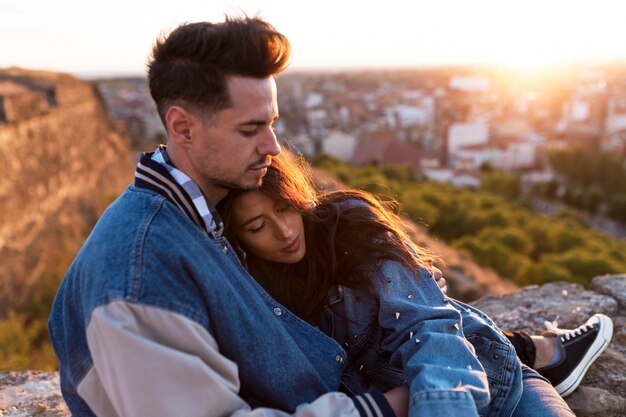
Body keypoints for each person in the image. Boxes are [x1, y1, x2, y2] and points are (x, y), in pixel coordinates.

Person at [48, 16, 408, 417]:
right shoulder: (138, 274)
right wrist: (385, 408)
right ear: (182, 128)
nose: (272, 146)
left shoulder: (206, 215)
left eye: (271, 124)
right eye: (250, 129)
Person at [219, 150, 611, 416]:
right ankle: (539, 348)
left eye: (286, 207)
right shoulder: (254, 294)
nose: (284, 231)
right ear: (238, 239)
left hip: (492, 381)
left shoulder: (348, 224)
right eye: (257, 227)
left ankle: (538, 352)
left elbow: (427, 326)